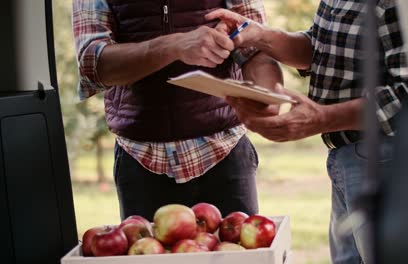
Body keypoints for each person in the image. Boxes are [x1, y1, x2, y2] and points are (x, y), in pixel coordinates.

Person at [206, 1, 408, 263]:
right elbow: (319, 48)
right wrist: (260, 36)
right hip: (347, 157)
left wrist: (323, 118)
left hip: (386, 160)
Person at [72, 0, 283, 221]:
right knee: (149, 256)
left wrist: (266, 98)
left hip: (225, 153)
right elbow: (92, 63)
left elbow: (256, 47)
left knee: (237, 254)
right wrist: (175, 46)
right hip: (141, 157)